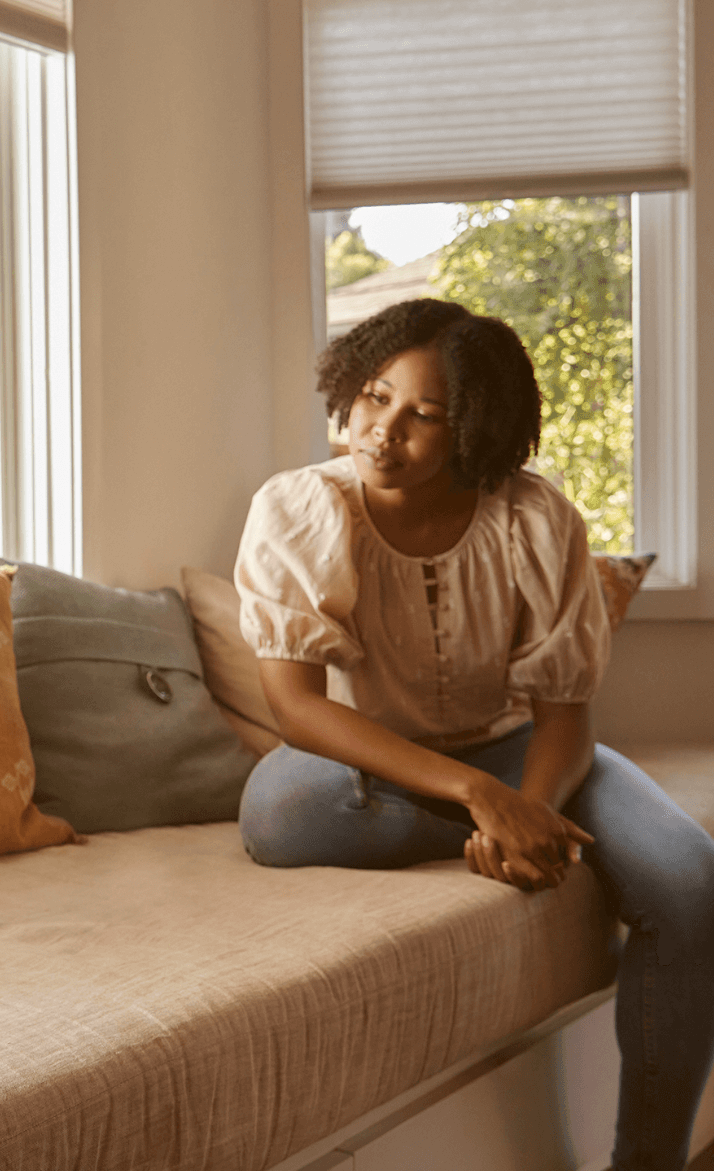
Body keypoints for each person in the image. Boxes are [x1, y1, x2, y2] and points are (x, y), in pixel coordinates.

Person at [234, 297, 713, 1171]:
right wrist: (481, 800)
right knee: (282, 808)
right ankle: (506, 827)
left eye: (425, 415)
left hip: (520, 748)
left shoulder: (538, 521)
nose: (383, 432)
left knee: (691, 879)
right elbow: (296, 711)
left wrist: (530, 801)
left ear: (476, 429)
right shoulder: (301, 507)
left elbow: (566, 717)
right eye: (375, 398)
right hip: (379, 764)